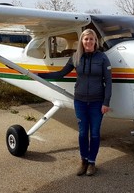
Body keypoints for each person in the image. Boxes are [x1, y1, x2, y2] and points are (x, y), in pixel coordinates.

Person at [38, 29, 112, 176]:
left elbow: (108, 82)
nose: (89, 42)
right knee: (83, 133)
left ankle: (92, 163)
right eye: (86, 39)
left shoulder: (103, 58)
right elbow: (60, 73)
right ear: (82, 42)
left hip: (97, 102)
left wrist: (106, 102)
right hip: (80, 102)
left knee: (95, 134)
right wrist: (38, 74)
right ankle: (83, 161)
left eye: (91, 39)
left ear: (95, 41)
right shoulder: (76, 57)